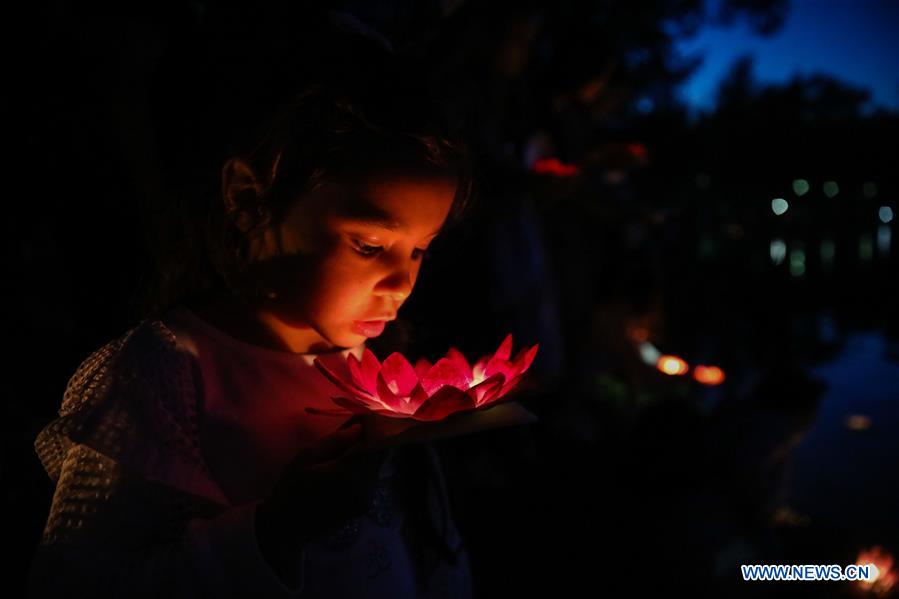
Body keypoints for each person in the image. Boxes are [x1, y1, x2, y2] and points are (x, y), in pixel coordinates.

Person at [28, 46, 477, 598]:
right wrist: (275, 531)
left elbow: (418, 542)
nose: (403, 283)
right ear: (247, 197)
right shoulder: (163, 375)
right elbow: (76, 582)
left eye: (420, 251)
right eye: (369, 245)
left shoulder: (379, 369)